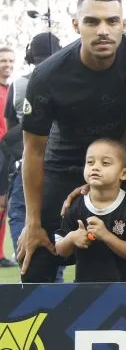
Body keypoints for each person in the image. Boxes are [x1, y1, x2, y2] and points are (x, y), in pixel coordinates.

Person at [17, 0, 126, 282]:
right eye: (92, 22)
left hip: (121, 165)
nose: (103, 31)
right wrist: (32, 222)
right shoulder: (47, 77)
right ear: (76, 25)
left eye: (112, 21)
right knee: (37, 255)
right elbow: (33, 152)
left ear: (124, 24)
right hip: (63, 166)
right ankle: (39, 324)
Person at [2, 34, 61, 269]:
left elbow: (11, 131)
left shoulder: (18, 85)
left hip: (27, 166)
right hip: (62, 167)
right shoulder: (73, 81)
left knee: (21, 216)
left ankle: (37, 278)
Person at [54, 139, 126, 282]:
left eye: (105, 163)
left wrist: (106, 236)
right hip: (86, 290)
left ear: (124, 173)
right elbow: (60, 250)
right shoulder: (75, 205)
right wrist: (72, 238)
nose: (95, 167)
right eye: (90, 162)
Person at [0, 46, 12, 266]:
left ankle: (0, 254)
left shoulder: (12, 90)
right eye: (3, 61)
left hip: (6, 154)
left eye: (11, 61)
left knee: (3, 205)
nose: (7, 64)